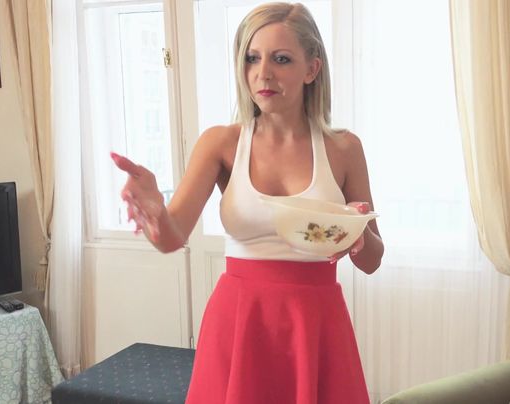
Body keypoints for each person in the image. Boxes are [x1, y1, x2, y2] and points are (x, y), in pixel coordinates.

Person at [111, 3, 383, 403]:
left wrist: (356, 236)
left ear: (312, 69)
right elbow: (171, 237)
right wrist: (153, 210)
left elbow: (373, 259)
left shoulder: (344, 148)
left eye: (281, 59)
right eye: (252, 58)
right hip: (239, 320)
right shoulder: (221, 143)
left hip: (316, 323)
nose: (263, 73)